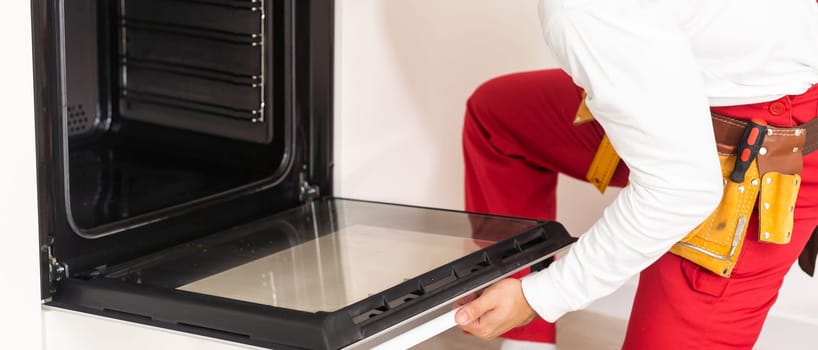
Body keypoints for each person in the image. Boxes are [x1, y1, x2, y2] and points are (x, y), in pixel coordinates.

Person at [455, 0, 818, 349]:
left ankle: (518, 308)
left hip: (764, 145)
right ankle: (523, 336)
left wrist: (541, 296)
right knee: (500, 119)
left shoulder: (582, 8)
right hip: (693, 93)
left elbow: (682, 192)